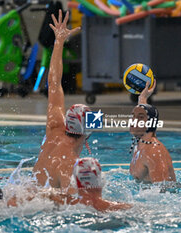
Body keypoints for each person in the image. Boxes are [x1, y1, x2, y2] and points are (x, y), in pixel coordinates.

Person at [32, 10, 91, 189]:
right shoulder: (72, 165)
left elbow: (54, 83)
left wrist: (59, 42)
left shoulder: (54, 127)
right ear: (86, 133)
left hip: (27, 192)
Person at [129, 81, 176, 184]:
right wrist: (142, 98)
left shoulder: (154, 152)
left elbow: (164, 193)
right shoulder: (140, 144)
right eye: (133, 116)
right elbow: (145, 112)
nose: (133, 121)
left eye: (140, 118)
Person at [49, 158, 132, 212]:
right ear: (102, 180)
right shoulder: (121, 208)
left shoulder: (63, 202)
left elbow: (43, 194)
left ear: (74, 182)